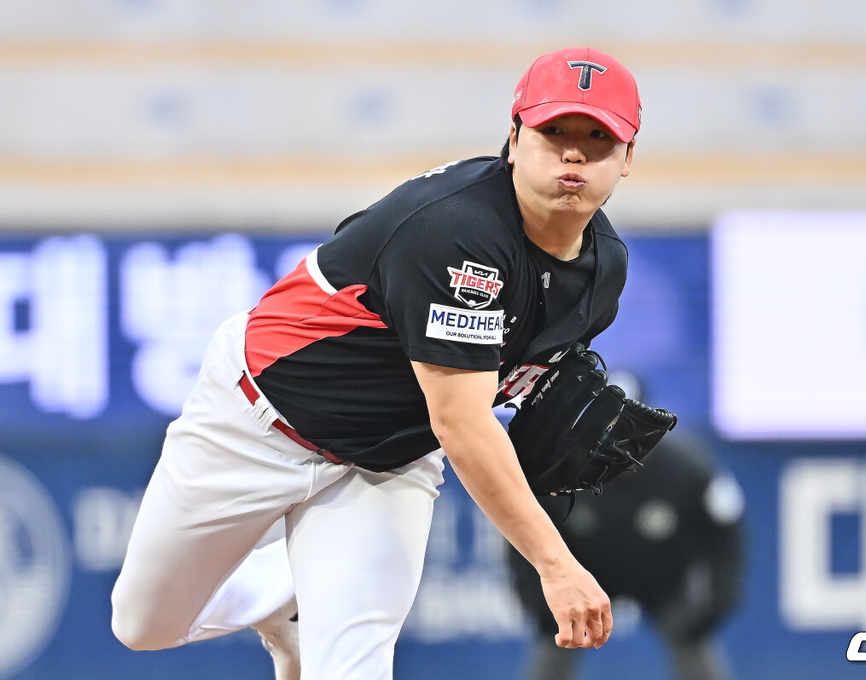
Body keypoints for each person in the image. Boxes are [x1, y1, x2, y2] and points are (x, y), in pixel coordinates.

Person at [110, 46, 642, 680]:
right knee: (144, 626)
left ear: (628, 159)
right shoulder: (456, 231)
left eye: (598, 137)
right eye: (554, 131)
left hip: (385, 461)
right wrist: (556, 564)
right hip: (258, 420)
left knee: (353, 667)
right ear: (514, 137)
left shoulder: (604, 269)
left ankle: (319, 615)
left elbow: (499, 397)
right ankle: (283, 594)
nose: (574, 153)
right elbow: (465, 425)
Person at [507, 385, 746, 680]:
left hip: (665, 578)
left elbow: (726, 533)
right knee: (559, 638)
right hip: (586, 576)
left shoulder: (688, 469)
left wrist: (714, 606)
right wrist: (541, 609)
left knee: (692, 641)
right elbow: (521, 530)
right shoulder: (560, 468)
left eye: (630, 425)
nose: (617, 439)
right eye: (605, 423)